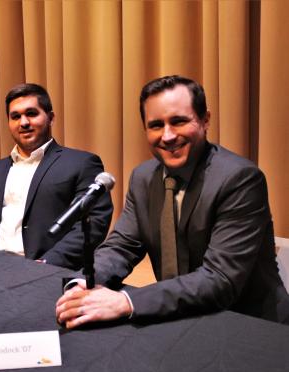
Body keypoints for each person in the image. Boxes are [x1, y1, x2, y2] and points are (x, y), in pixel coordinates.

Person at [56, 75, 289, 326]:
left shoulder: (239, 179)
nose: (167, 136)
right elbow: (122, 245)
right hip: (180, 316)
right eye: (156, 125)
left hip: (249, 323)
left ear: (205, 120)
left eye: (178, 121)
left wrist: (127, 301)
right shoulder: (143, 177)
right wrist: (83, 283)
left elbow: (220, 279)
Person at [0, 83, 113, 270]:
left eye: (31, 114)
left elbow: (92, 224)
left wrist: (46, 264)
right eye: (15, 116)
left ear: (50, 118)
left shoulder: (81, 163)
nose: (23, 122)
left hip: (44, 269)